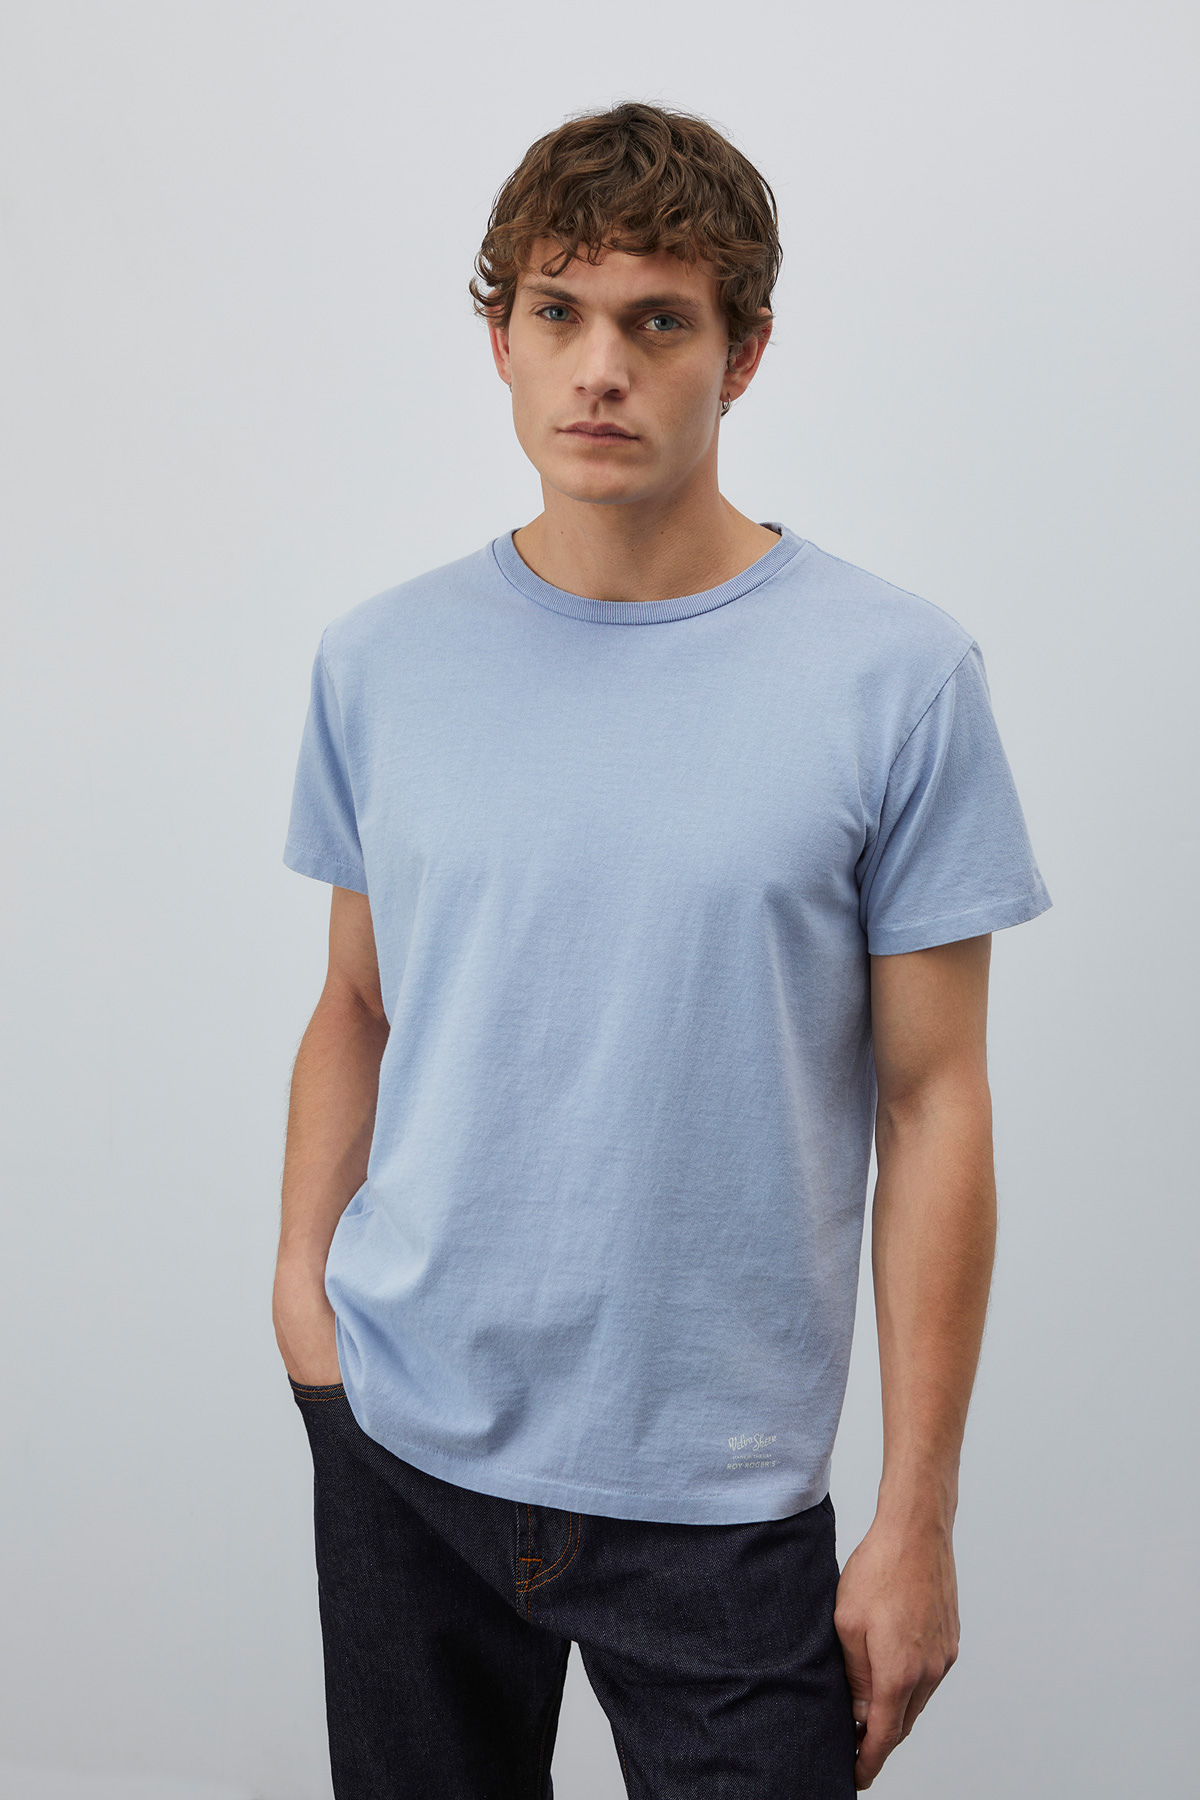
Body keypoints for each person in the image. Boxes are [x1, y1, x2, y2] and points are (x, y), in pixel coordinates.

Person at [273, 100, 1052, 1798]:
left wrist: (917, 1516)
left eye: (658, 321)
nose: (600, 368)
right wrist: (301, 1303)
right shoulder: (383, 661)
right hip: (404, 1444)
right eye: (557, 311)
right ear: (500, 337)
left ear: (743, 351)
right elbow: (358, 1001)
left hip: (718, 1493)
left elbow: (936, 1104)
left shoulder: (896, 678)